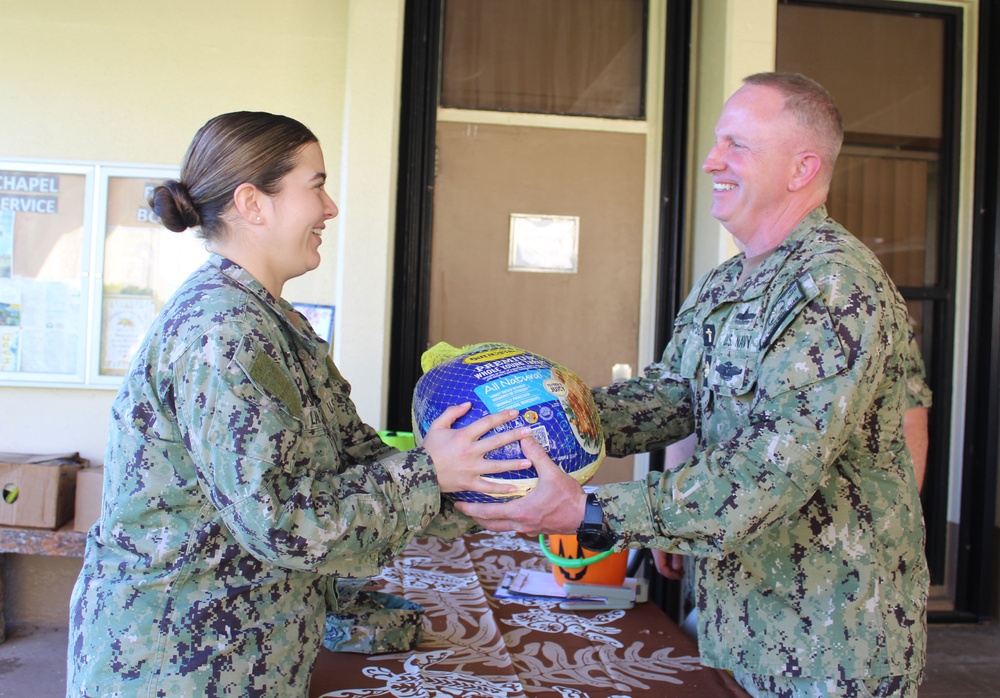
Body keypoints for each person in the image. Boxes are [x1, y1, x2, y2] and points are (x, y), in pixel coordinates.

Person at [459, 73, 929, 696]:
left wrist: (593, 511)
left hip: (830, 637)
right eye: (716, 142)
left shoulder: (833, 287)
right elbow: (672, 399)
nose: (712, 161)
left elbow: (770, 471)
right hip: (747, 618)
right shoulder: (728, 281)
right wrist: (543, 410)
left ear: (801, 168)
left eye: (737, 145)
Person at [66, 111, 525, 697]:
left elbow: (353, 465)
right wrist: (432, 470)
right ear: (253, 204)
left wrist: (487, 483)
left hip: (239, 650)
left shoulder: (269, 321)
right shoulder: (224, 331)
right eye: (316, 186)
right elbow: (284, 521)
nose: (330, 208)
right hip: (179, 663)